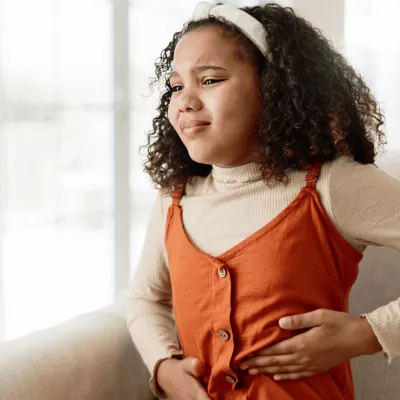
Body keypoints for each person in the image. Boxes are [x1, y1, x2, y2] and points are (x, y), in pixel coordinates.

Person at [125, 2, 400, 399]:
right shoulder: (175, 198)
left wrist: (369, 333)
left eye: (211, 79)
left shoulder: (331, 186)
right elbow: (145, 299)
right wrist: (164, 365)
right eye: (176, 86)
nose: (184, 101)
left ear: (273, 89)